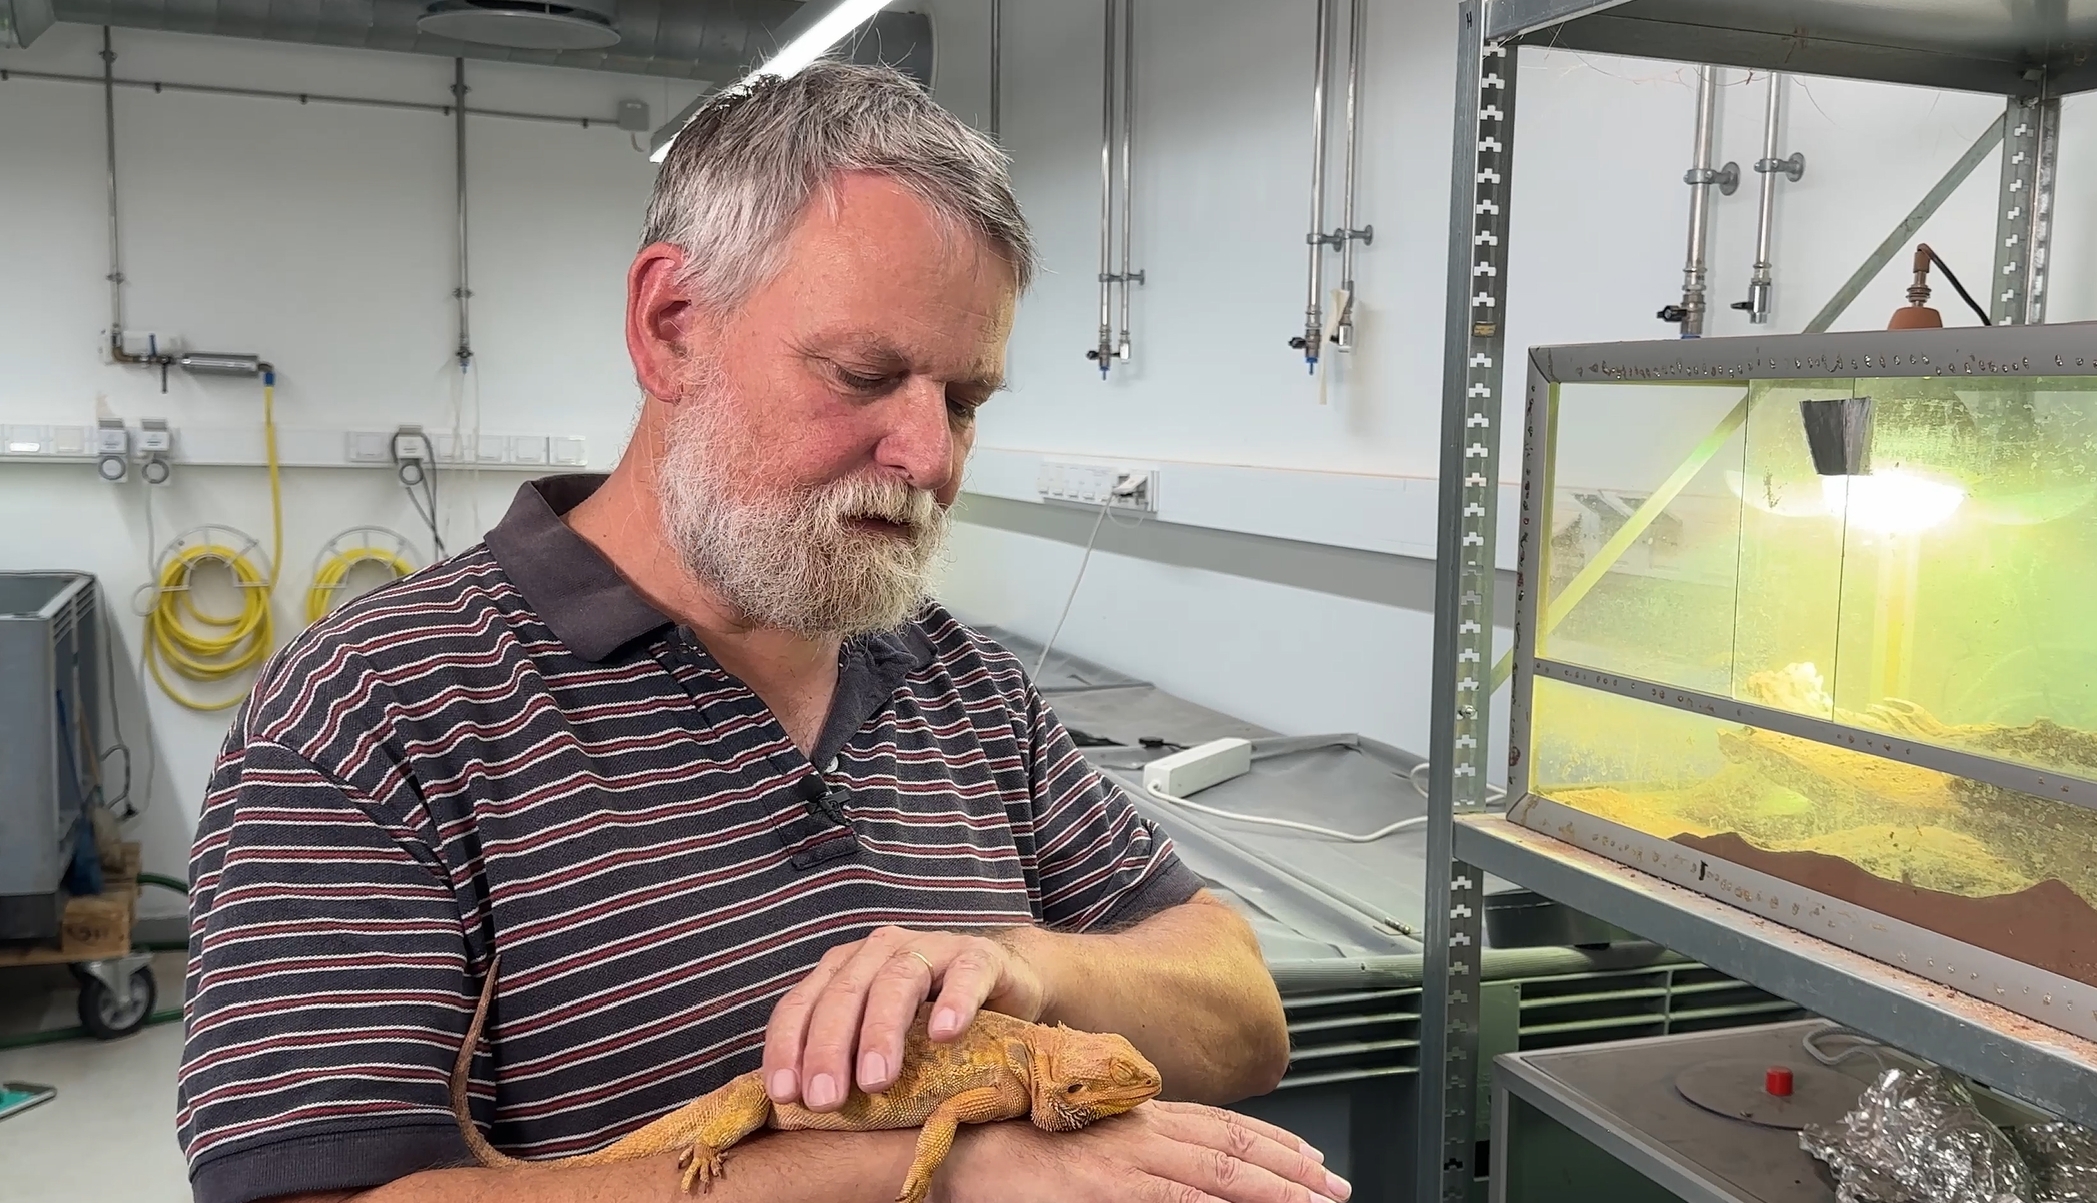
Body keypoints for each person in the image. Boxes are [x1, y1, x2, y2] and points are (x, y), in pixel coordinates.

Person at [178, 62, 1344, 1203]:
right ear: (670, 327)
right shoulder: (368, 714)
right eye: (864, 373)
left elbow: (1245, 1014)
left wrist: (1030, 964)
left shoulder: (968, 685)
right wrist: (940, 1171)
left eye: (965, 401)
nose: (928, 457)